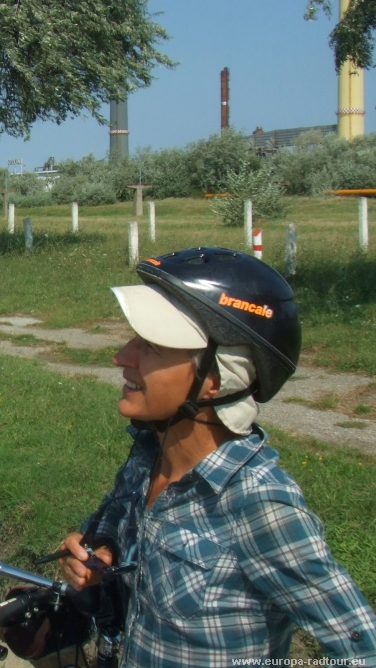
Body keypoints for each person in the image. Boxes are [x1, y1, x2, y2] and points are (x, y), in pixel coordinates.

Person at [58, 247, 376, 666]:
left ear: (213, 379)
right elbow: (111, 534)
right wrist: (96, 554)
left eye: (151, 345)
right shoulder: (148, 456)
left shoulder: (258, 503)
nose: (122, 357)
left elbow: (360, 646)